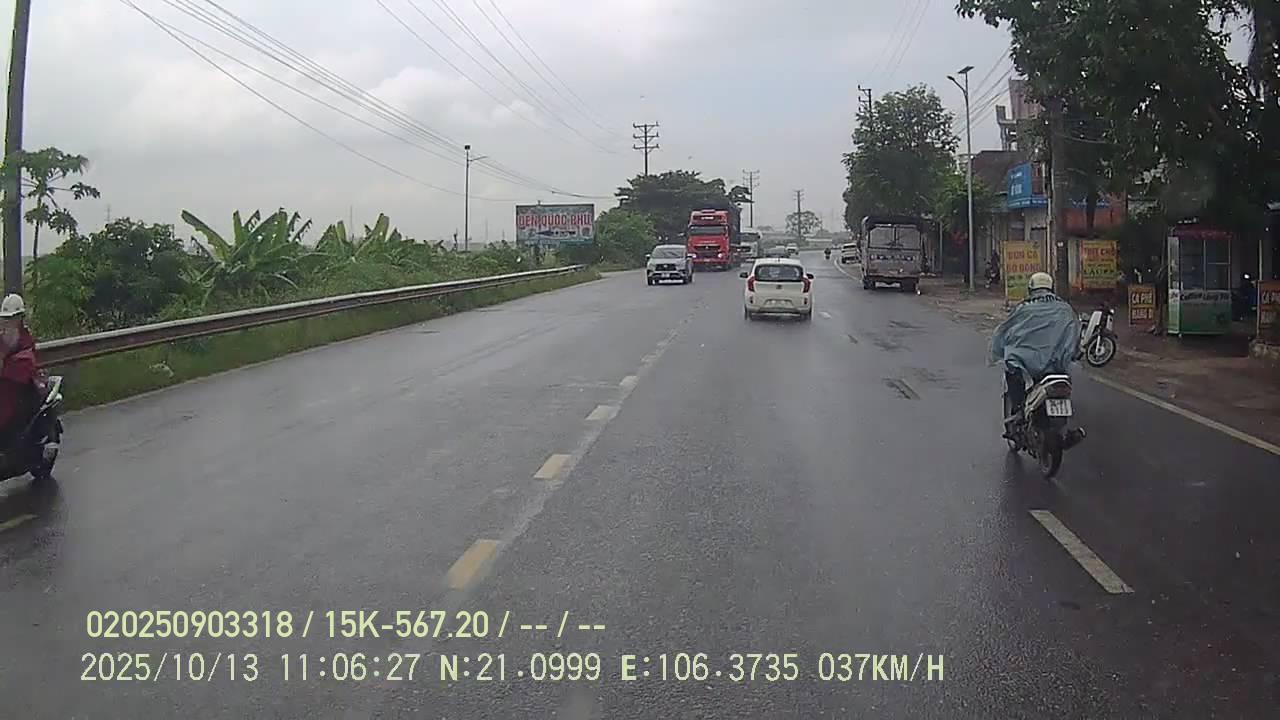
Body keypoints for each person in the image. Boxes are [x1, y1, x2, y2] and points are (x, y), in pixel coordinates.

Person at [989, 272, 1080, 437]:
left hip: (1029, 364)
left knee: (1012, 369)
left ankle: (1018, 411)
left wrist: (999, 348)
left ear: (1031, 289)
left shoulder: (1024, 309)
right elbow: (1075, 334)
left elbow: (1006, 331)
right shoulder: (1065, 309)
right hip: (1058, 364)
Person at [0, 294, 39, 446]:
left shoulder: (25, 339)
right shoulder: (3, 337)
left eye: (13, 317)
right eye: (6, 318)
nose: (10, 321)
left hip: (18, 387)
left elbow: (27, 362)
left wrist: (6, 368)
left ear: (20, 318)